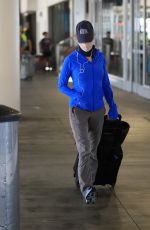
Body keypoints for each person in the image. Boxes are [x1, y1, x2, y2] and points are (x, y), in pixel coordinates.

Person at [58, 20, 118, 204]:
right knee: (84, 149)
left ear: (93, 38)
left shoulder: (100, 58)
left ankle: (84, 178)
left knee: (93, 149)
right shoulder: (71, 60)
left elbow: (105, 84)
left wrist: (112, 105)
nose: (86, 44)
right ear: (78, 39)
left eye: (88, 40)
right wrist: (75, 94)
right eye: (83, 40)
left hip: (98, 111)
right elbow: (61, 85)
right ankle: (87, 187)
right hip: (79, 110)